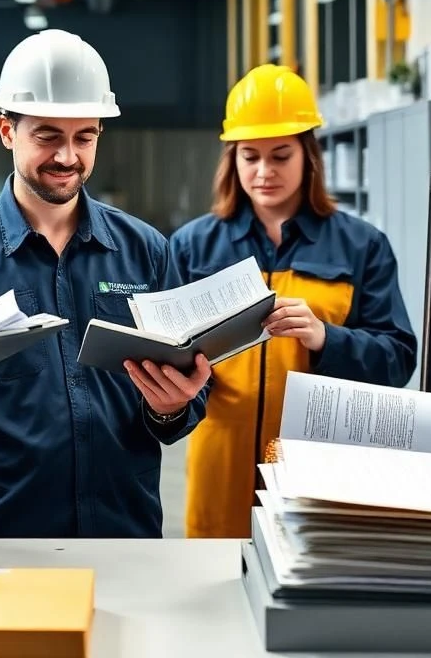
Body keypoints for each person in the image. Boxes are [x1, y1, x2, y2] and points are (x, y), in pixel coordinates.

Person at [0, 29, 211, 538]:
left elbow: (184, 407)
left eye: (84, 137)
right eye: (47, 135)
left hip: (124, 528)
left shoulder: (147, 251)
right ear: (7, 131)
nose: (68, 156)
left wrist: (172, 405)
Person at [170, 64, 417, 538]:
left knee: (311, 579)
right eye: (250, 156)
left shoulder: (361, 246)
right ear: (232, 160)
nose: (264, 172)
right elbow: (174, 359)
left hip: (319, 459)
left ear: (309, 156)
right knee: (217, 584)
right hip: (218, 460)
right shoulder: (192, 247)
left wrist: (327, 338)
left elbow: (398, 359)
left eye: (281, 155)